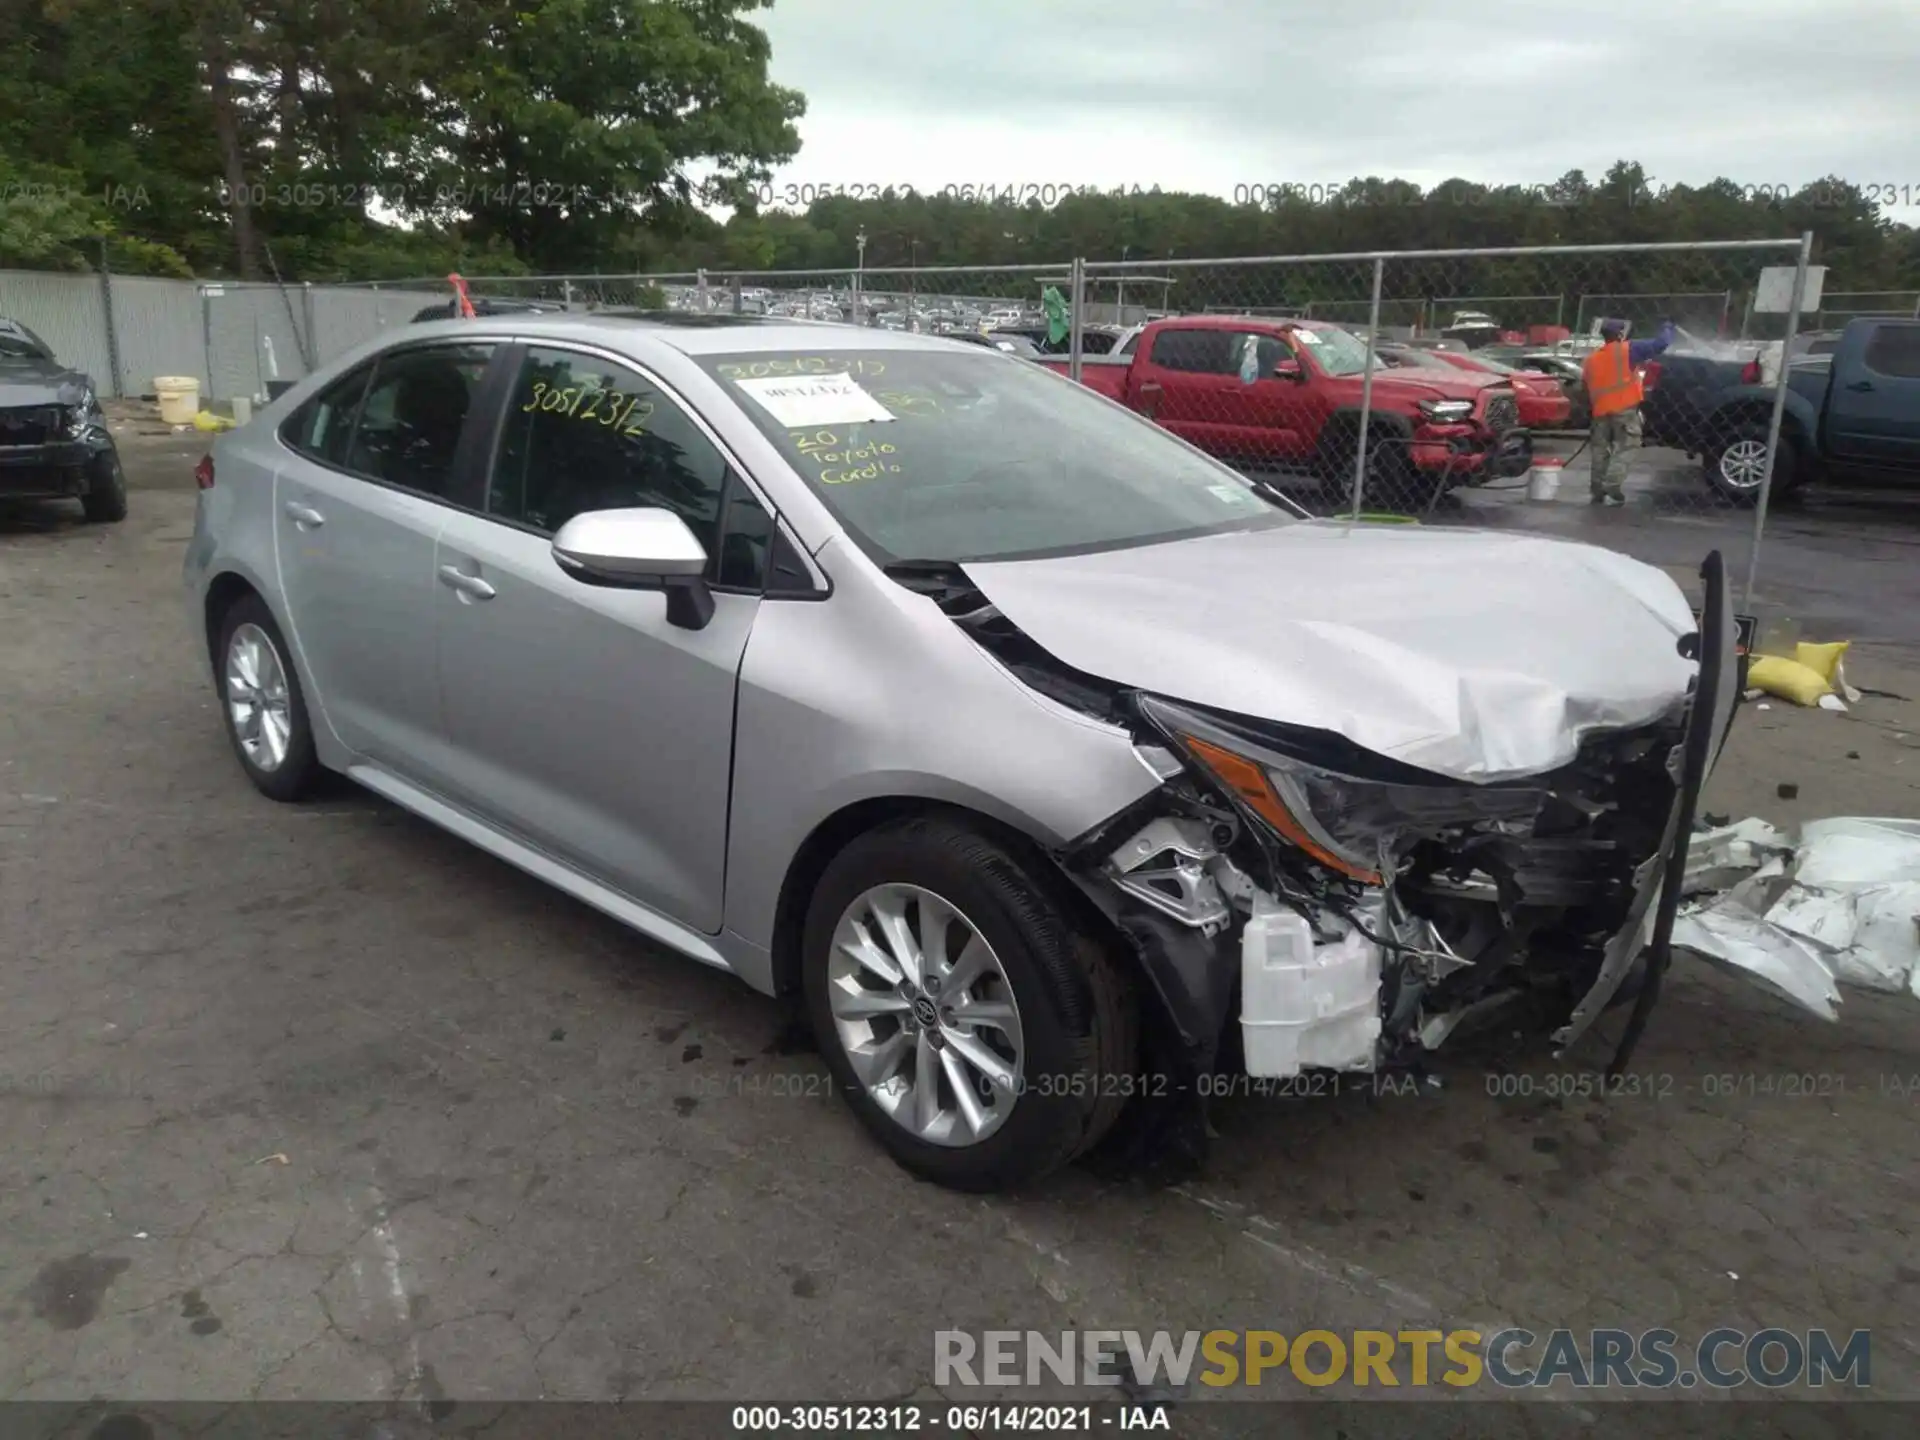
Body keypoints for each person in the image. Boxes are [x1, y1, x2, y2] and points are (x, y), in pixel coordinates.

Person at [1582, 316, 1675, 506]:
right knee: (1627, 445)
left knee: (1600, 450)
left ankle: (1597, 489)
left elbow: (1586, 386)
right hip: (1624, 408)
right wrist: (1667, 326)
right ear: (1620, 334)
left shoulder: (1592, 359)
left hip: (1600, 411)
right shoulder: (1628, 349)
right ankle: (1612, 484)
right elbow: (1661, 344)